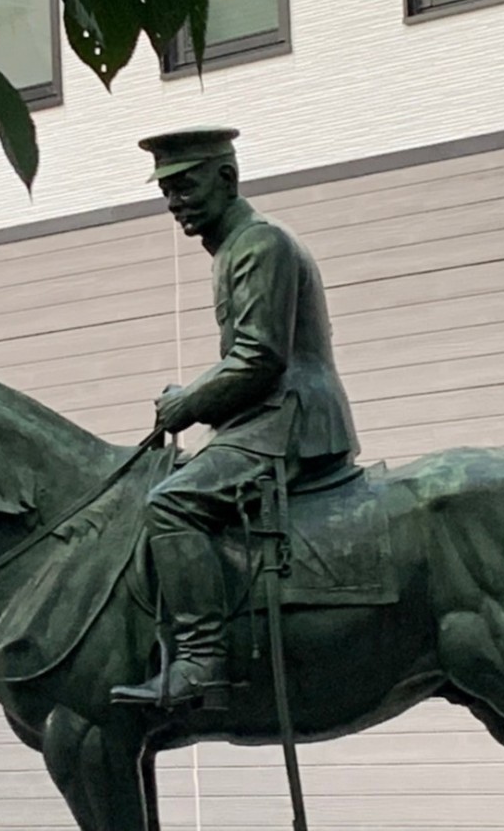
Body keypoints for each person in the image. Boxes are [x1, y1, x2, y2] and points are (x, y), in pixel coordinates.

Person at [110, 128, 359, 708]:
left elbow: (259, 358)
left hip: (288, 421)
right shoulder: (235, 249)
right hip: (265, 418)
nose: (175, 202)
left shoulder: (258, 244)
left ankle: (202, 661)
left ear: (228, 178)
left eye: (186, 185)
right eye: (167, 191)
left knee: (169, 501)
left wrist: (188, 402)